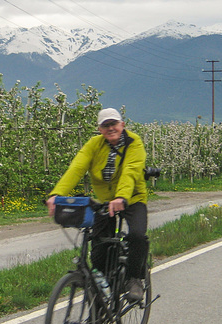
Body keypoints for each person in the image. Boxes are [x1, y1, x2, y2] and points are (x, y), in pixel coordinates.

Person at [46, 107, 148, 302]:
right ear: (99, 129)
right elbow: (76, 168)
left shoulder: (134, 143)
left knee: (137, 235)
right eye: (105, 125)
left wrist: (121, 198)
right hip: (104, 201)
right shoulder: (94, 144)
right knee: (99, 248)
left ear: (122, 125)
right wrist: (57, 194)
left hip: (132, 198)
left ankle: (134, 278)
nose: (110, 128)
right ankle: (100, 299)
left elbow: (131, 171)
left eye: (114, 124)